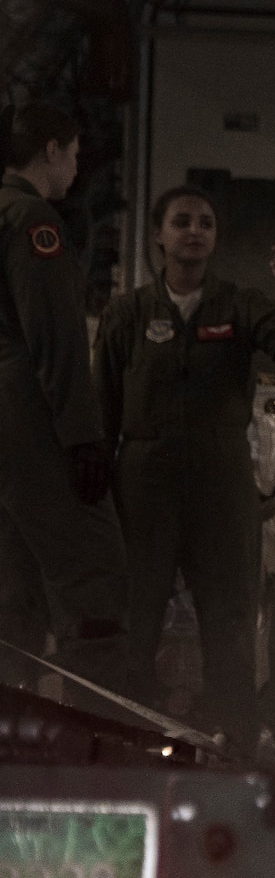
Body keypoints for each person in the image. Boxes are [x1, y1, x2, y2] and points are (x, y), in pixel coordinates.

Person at [94, 186, 275, 751]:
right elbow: (103, 407)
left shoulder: (238, 305)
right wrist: (95, 480)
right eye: (182, 221)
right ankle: (129, 739)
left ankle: (235, 743)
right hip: (144, 475)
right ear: (158, 235)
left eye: (205, 223)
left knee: (230, 620)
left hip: (220, 477)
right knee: (135, 616)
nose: (194, 231)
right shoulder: (128, 313)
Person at [0, 100, 133, 705]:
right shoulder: (32, 221)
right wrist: (83, 438)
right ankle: (95, 741)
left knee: (15, 588)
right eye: (75, 153)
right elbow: (54, 339)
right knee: (93, 577)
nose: (77, 169)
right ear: (51, 148)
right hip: (30, 421)